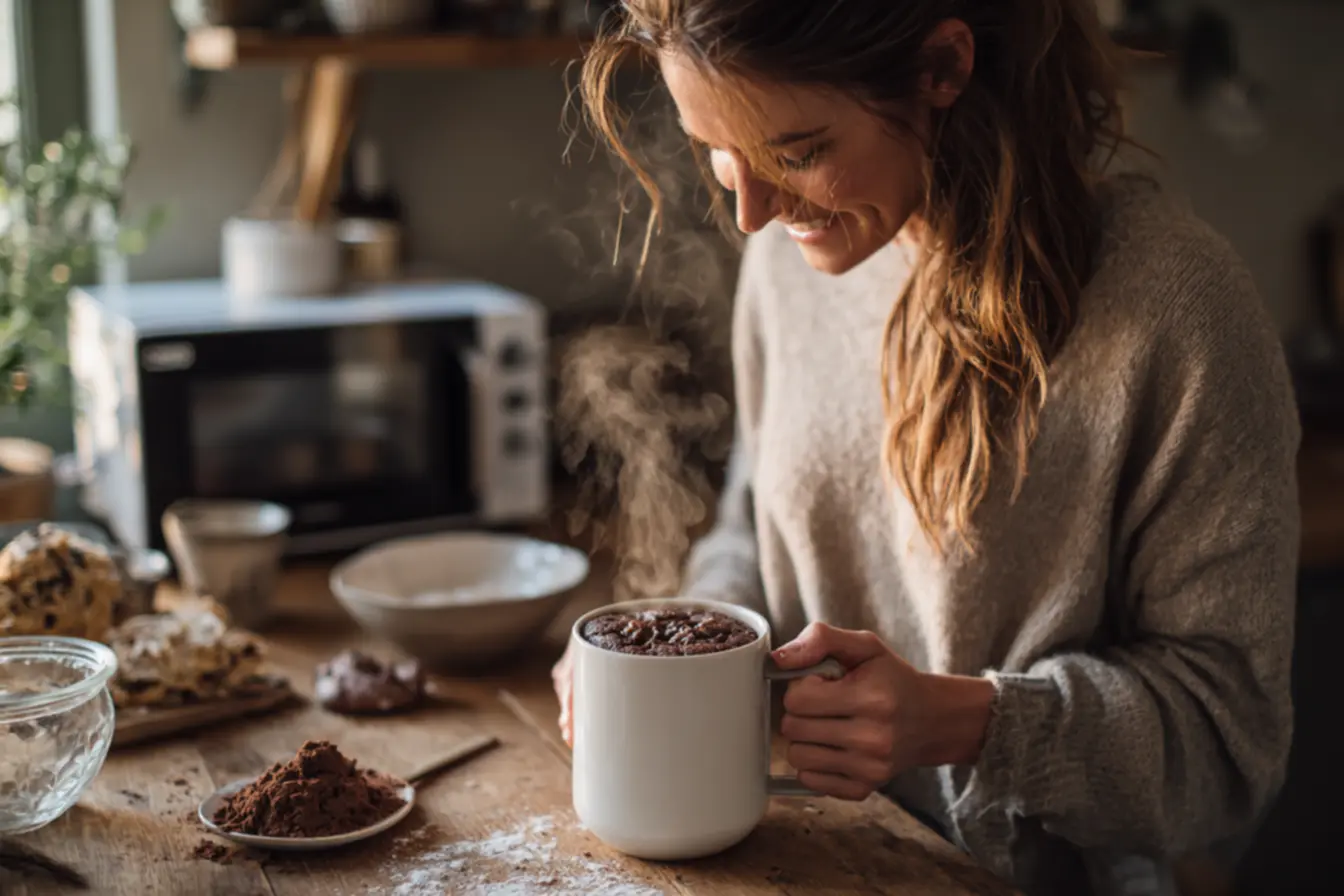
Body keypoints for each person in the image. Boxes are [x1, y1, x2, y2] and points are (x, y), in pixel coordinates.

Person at [551, 2, 1299, 893]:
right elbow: (757, 529)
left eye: (796, 153)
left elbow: (1227, 753)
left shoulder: (1177, 310)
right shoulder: (791, 261)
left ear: (943, 67)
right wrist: (684, 644)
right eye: (716, 147)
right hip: (812, 863)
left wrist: (971, 723)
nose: (750, 211)